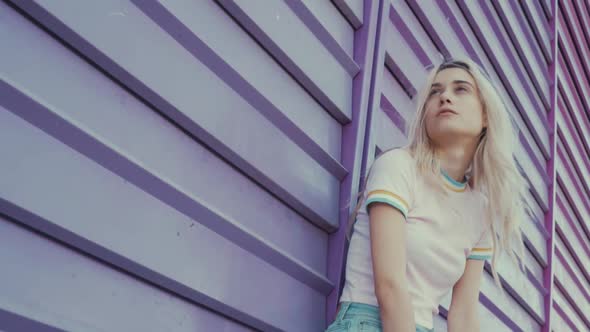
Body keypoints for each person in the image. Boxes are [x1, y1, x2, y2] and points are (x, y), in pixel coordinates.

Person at [325, 57, 529, 332]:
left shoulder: (480, 211)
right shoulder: (399, 166)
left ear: (485, 117)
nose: (444, 97)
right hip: (368, 322)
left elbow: (464, 316)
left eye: (460, 89)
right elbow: (390, 287)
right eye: (435, 91)